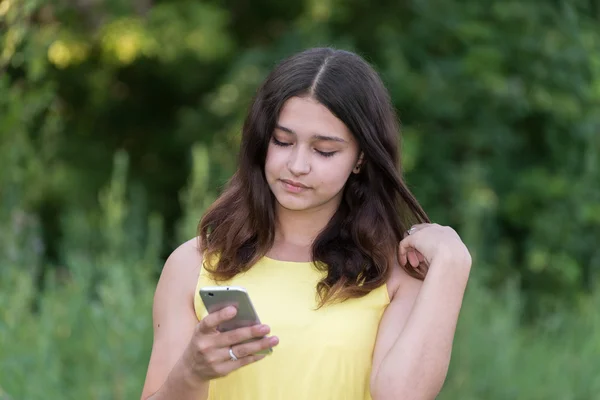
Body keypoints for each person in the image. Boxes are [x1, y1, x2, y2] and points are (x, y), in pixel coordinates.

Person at [140, 47, 472, 400]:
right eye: (283, 141)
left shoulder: (394, 274)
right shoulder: (194, 265)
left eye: (324, 150)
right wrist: (191, 372)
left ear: (361, 157)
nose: (297, 165)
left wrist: (452, 265)